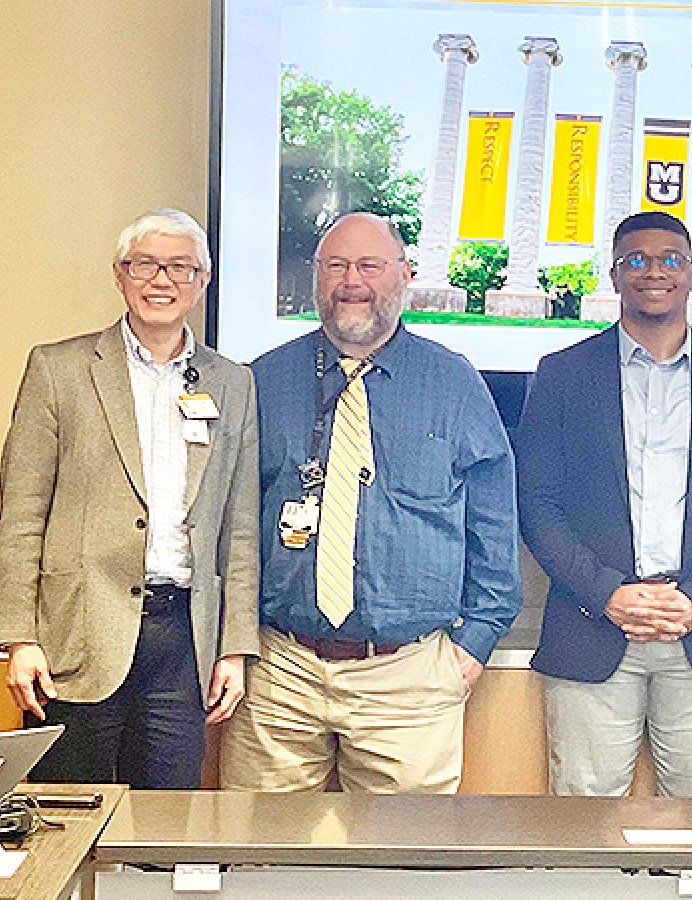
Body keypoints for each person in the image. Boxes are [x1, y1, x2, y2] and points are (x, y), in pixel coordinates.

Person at [221, 212, 520, 793]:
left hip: (408, 678)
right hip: (280, 673)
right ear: (316, 276)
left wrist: (475, 643)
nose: (351, 280)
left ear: (405, 275)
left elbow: (494, 525)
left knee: (402, 848)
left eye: (369, 265)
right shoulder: (263, 380)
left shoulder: (454, 384)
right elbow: (231, 522)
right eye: (335, 265)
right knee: (258, 842)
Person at [0, 208, 259, 788]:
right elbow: (21, 514)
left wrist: (234, 648)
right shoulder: (58, 369)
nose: (162, 280)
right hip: (76, 634)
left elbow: (239, 527)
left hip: (182, 640)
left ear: (203, 281)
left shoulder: (232, 383)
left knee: (167, 823)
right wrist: (20, 637)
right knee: (67, 814)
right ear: (120, 275)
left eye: (180, 267)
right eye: (145, 265)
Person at [517, 211, 692, 797]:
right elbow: (537, 504)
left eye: (670, 260)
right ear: (614, 275)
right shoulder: (562, 375)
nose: (653, 271)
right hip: (592, 627)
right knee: (583, 822)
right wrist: (606, 593)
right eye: (635, 260)